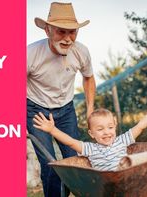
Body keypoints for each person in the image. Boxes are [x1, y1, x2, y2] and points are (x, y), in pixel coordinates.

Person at [27, 2, 96, 196]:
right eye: (61, 32)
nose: (67, 39)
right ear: (48, 30)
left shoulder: (81, 51)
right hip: (36, 110)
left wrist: (90, 109)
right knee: (50, 165)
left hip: (66, 109)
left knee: (73, 161)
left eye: (72, 32)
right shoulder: (30, 54)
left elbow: (89, 78)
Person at [33, 108, 147, 171]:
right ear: (91, 133)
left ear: (115, 126)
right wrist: (52, 130)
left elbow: (140, 126)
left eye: (110, 127)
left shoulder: (122, 140)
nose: (106, 132)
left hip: (126, 178)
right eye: (100, 129)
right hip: (104, 184)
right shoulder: (91, 148)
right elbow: (71, 142)